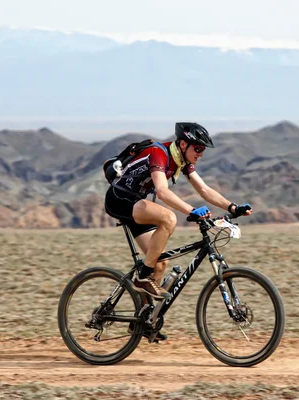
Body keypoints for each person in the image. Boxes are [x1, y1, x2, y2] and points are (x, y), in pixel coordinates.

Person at [104, 122, 252, 340]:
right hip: (119, 200)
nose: (201, 154)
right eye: (198, 149)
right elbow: (162, 192)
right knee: (169, 218)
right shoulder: (159, 154)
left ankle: (142, 320)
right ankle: (144, 277)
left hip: (137, 204)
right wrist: (191, 211)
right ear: (183, 144)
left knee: (159, 262)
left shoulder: (182, 161)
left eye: (202, 150)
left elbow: (204, 189)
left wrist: (232, 207)